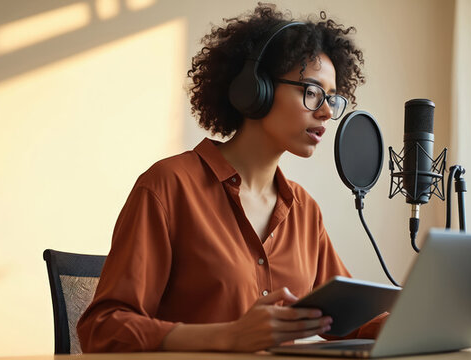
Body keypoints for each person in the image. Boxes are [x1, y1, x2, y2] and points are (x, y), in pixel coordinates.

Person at [76, 4, 383, 353]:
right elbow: (102, 330)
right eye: (312, 92)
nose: (327, 112)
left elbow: (347, 322)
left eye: (332, 98)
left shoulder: (304, 211)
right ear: (256, 89)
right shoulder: (168, 186)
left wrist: (424, 318)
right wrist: (229, 336)